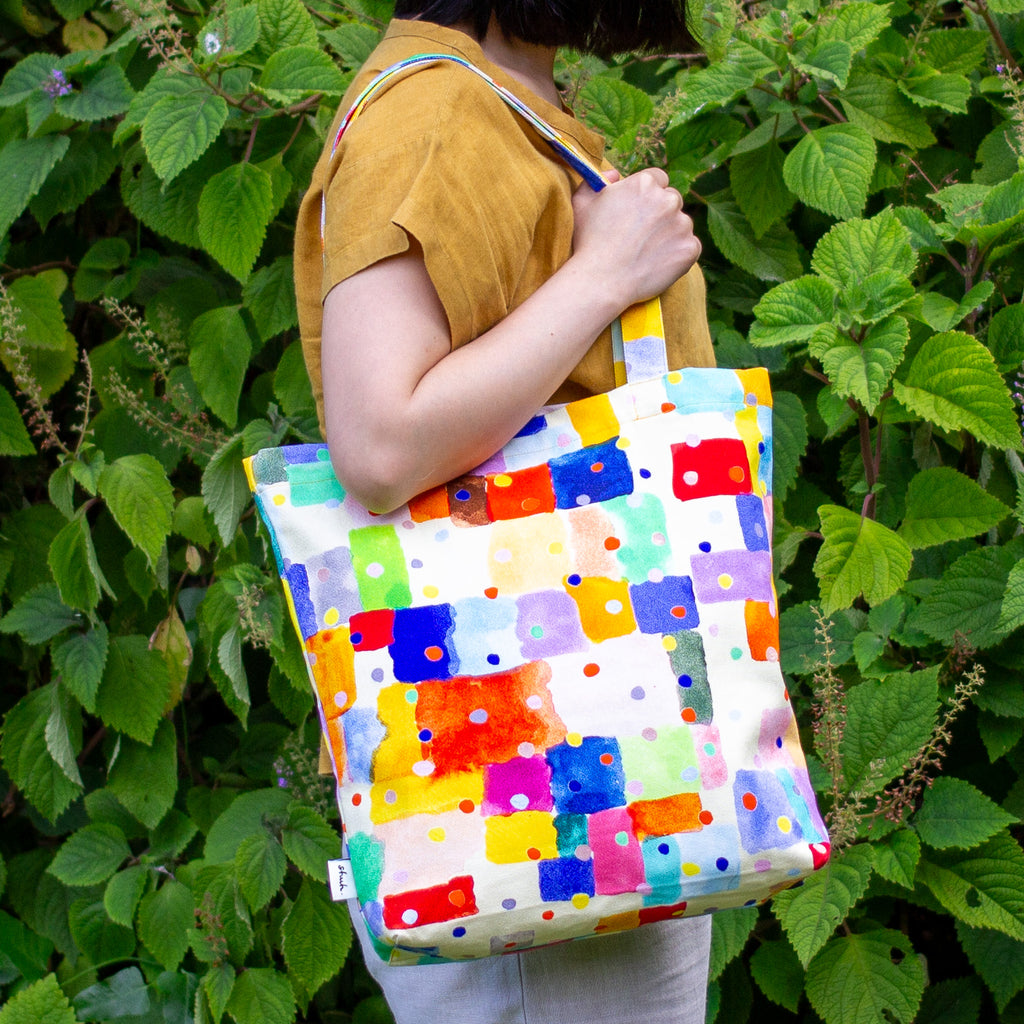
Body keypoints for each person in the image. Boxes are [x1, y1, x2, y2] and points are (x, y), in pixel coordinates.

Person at [294, 2, 717, 1021]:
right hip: (522, 777)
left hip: (596, 749)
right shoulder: (434, 114)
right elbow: (382, 438)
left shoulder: (497, 103)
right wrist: (606, 271)